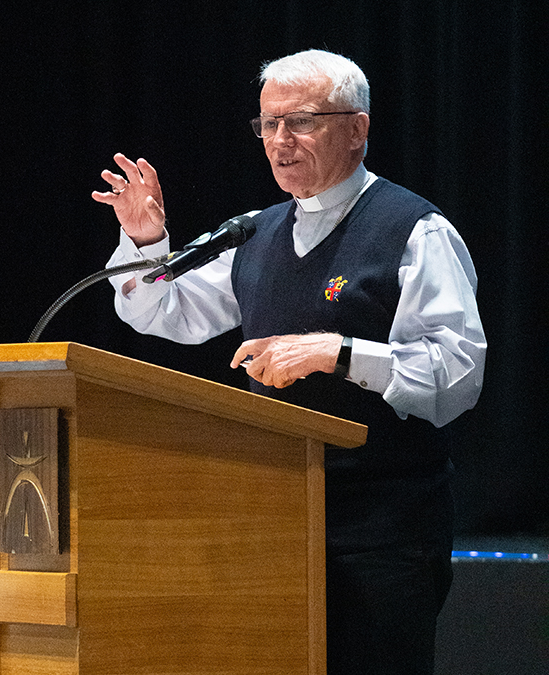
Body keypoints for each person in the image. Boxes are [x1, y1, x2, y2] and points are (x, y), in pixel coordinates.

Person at [93, 49, 485, 674]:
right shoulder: (254, 231)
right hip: (274, 514)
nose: (279, 140)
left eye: (300, 121)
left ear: (357, 129)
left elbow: (458, 372)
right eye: (267, 125)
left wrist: (341, 353)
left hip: (383, 526)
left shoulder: (414, 230)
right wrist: (145, 241)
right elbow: (165, 312)